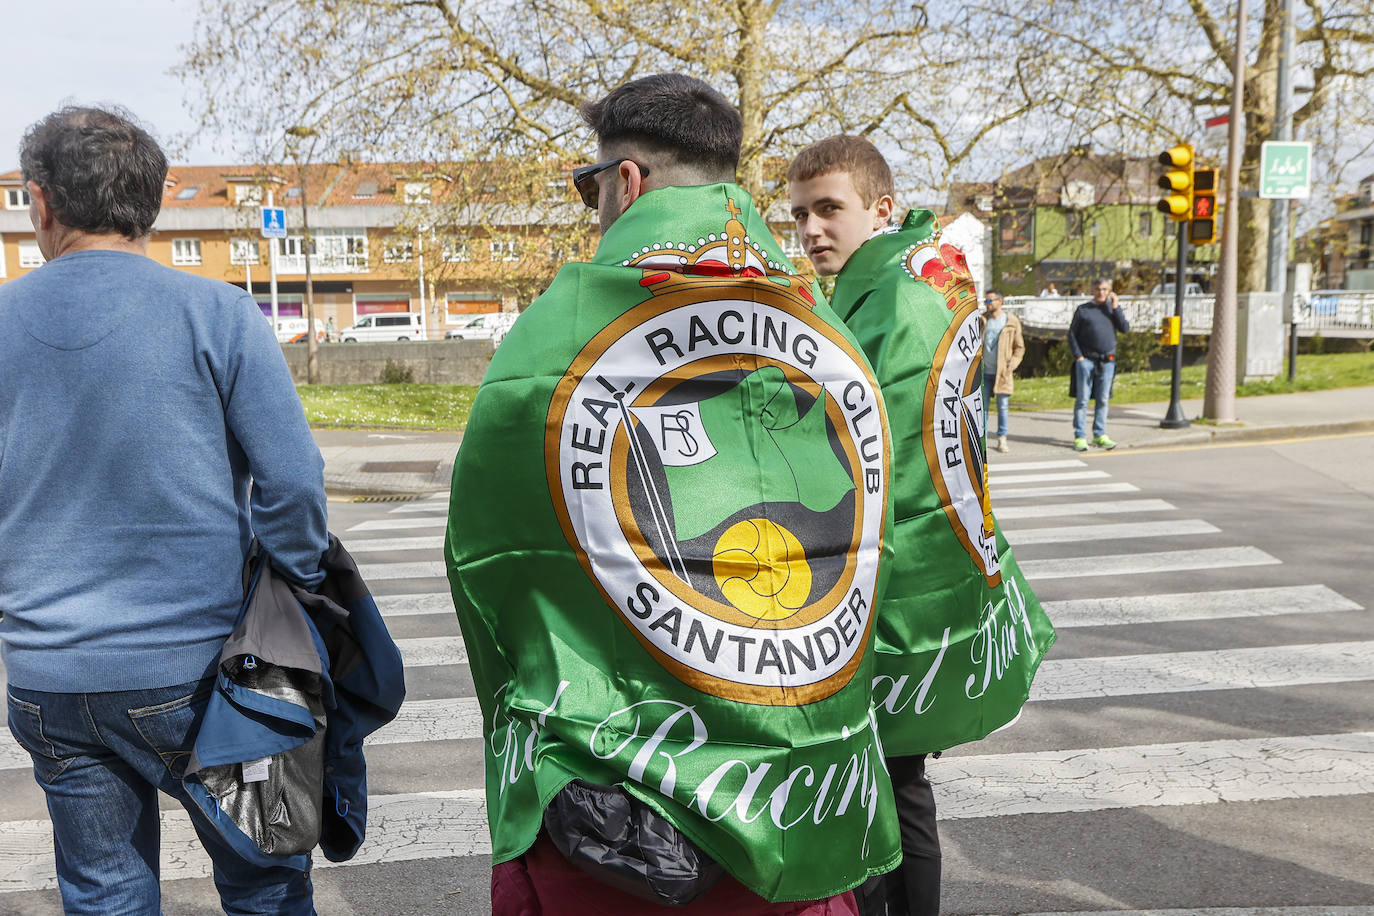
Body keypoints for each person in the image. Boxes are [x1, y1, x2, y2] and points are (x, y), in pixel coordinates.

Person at [445, 77, 900, 915]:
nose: (594, 208)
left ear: (626, 183)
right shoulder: (825, 327)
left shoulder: (557, 331)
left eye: (590, 188)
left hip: (607, 819)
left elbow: (487, 564)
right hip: (796, 800)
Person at [0, 107, 327, 914]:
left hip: (50, 675)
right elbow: (292, 483)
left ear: (40, 203)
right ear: (153, 203)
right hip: (206, 670)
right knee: (264, 878)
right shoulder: (217, 314)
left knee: (104, 892)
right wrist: (292, 589)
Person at [789, 135, 1056, 916]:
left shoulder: (895, 299)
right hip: (906, 577)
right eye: (801, 214)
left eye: (829, 209)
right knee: (894, 780)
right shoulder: (905, 281)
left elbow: (851, 442)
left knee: (893, 784)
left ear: (884, 209)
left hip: (889, 586)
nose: (811, 230)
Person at [1069, 277, 1131, 451]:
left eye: (1105, 289)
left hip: (1107, 361)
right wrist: (1079, 357)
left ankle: (1100, 434)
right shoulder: (1083, 310)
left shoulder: (1112, 310)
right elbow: (1072, 334)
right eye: (1098, 289)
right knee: (1082, 400)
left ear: (1110, 291)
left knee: (1103, 399)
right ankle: (1080, 436)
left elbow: (1125, 328)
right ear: (1092, 291)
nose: (1101, 292)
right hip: (1086, 361)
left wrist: (1116, 306)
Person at [981, 289, 1025, 453]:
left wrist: (1011, 366)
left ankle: (1002, 438)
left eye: (990, 300)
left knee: (1003, 406)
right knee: (982, 408)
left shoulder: (1011, 322)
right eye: (986, 301)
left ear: (1001, 301)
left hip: (1002, 372)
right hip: (984, 371)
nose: (988, 304)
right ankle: (982, 440)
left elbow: (1019, 348)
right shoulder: (982, 320)